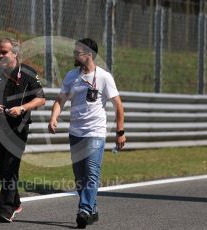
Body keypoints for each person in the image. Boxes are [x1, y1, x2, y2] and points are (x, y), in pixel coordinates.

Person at [48, 38, 126, 228]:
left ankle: (84, 209)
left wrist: (120, 132)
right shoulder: (71, 76)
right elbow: (60, 100)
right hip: (75, 132)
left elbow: (118, 106)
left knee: (92, 172)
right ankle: (92, 209)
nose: (74, 56)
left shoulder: (104, 77)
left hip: (95, 133)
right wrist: (54, 117)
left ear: (88, 55)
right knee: (80, 176)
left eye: (78, 53)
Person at [0, 38, 45, 223]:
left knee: (10, 166)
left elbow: (41, 99)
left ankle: (5, 209)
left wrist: (22, 108)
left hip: (18, 127)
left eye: (4, 52)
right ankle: (14, 201)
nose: (0, 55)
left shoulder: (28, 73)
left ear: (14, 53)